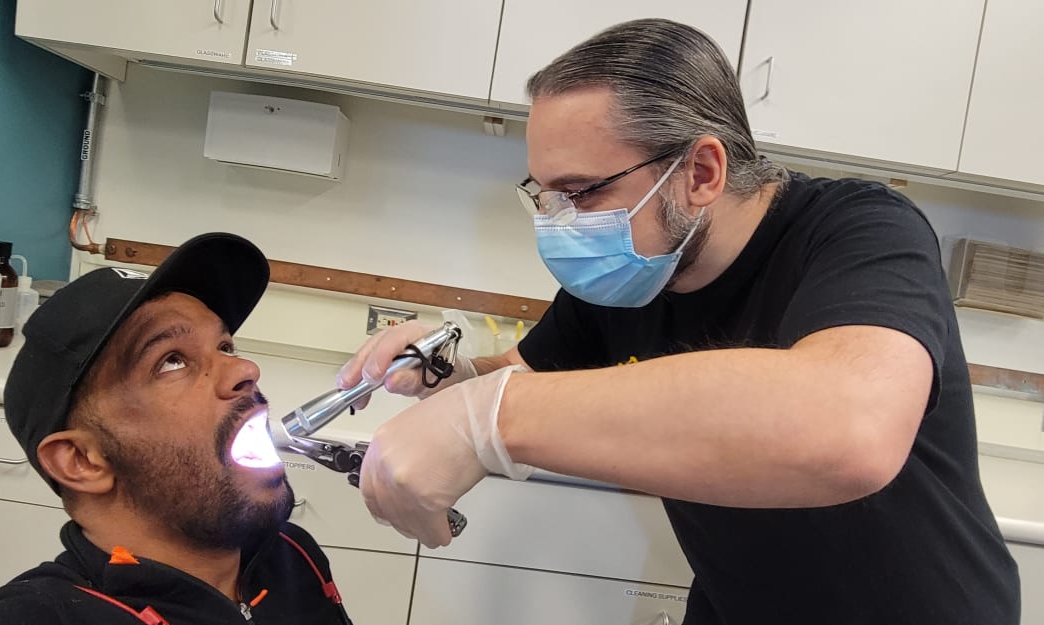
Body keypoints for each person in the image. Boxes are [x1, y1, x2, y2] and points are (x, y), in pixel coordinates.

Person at [336, 18, 1020, 625]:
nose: (561, 222)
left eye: (583, 193)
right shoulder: (625, 275)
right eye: (545, 196)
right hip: (739, 601)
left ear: (700, 170)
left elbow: (850, 429)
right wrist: (447, 374)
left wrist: (489, 417)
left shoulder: (858, 231)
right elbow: (520, 380)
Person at [0, 233, 352, 625]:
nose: (245, 370)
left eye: (225, 346)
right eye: (171, 360)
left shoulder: (292, 557)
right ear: (83, 460)